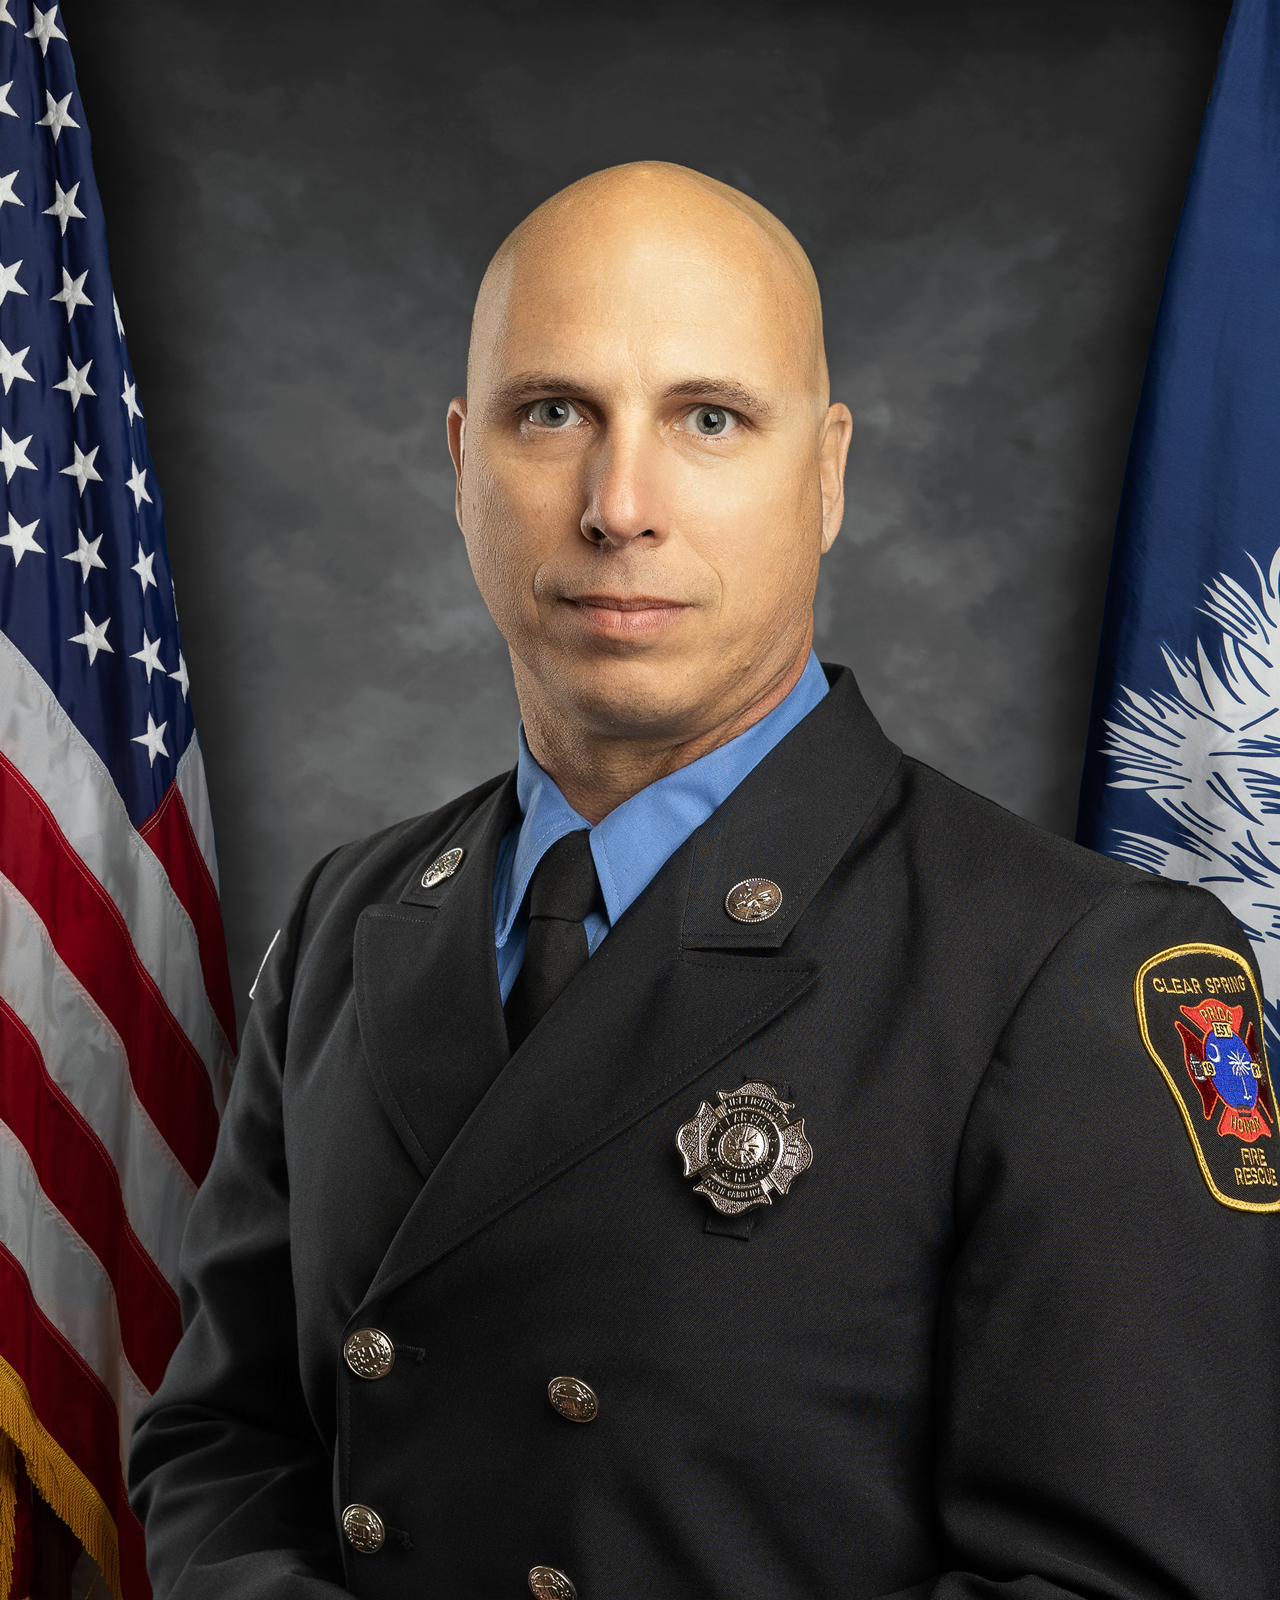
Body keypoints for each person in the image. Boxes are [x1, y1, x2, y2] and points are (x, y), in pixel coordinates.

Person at [129, 162, 1280, 1600]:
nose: (619, 505)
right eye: (552, 413)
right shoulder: (351, 922)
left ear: (829, 473)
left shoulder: (1073, 970)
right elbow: (224, 1445)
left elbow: (1130, 1583)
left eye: (709, 419)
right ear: (459, 459)